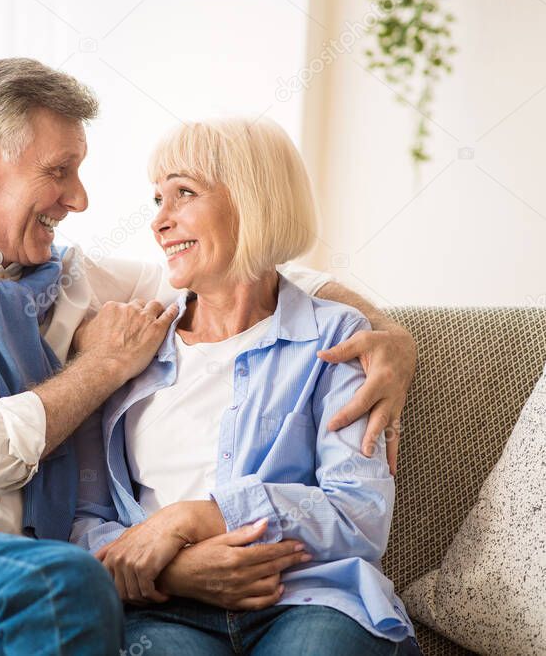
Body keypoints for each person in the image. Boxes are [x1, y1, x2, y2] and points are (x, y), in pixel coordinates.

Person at [0, 58, 416, 655]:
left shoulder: (61, 279)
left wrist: (387, 334)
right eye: (58, 172)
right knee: (67, 586)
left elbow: (245, 272)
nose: (81, 199)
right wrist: (99, 370)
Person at [71, 117, 422, 655]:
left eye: (183, 193)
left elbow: (359, 515)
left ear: (251, 201)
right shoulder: (129, 345)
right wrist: (174, 569)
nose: (159, 222)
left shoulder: (336, 338)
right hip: (164, 610)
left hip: (310, 597)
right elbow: (85, 520)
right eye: (157, 200)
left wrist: (195, 517)